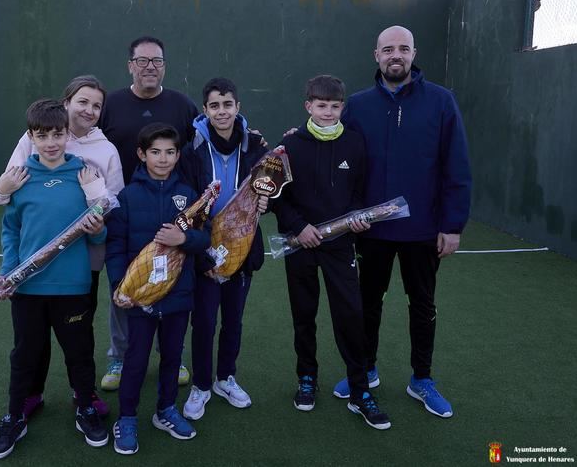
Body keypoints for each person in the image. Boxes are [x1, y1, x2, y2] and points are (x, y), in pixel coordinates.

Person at [332, 25, 471, 419]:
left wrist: (452, 225)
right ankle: (366, 370)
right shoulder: (357, 105)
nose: (396, 55)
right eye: (388, 49)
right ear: (376, 56)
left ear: (413, 54)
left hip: (424, 230)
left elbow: (456, 166)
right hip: (371, 230)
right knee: (367, 303)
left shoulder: (442, 102)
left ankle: (421, 379)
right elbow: (341, 158)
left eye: (403, 49)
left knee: (422, 305)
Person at [0, 75, 123, 418]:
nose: (89, 109)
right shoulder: (33, 138)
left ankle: (85, 399)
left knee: (78, 339)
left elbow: (110, 203)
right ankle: (32, 395)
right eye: (83, 101)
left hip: (80, 268)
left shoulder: (104, 151)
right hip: (32, 276)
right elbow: (8, 198)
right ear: (66, 103)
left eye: (96, 105)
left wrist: (95, 227)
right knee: (31, 343)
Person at [273, 75, 391, 430]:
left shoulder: (355, 144)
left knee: (351, 316)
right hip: (300, 245)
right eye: (320, 105)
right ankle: (306, 378)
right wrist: (299, 228)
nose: (327, 112)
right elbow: (278, 198)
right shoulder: (289, 145)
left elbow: (359, 193)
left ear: (343, 108)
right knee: (304, 315)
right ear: (308, 105)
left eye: (334, 106)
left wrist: (356, 218)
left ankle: (359, 390)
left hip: (340, 247)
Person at [98, 36, 199, 391]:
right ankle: (119, 356)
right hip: (126, 210)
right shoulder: (110, 104)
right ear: (130, 65)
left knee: (171, 283)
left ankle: (174, 354)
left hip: (172, 210)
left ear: (164, 66)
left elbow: (212, 132)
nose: (150, 68)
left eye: (156, 61)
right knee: (127, 281)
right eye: (142, 61)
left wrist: (251, 136)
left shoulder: (182, 105)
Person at [105, 123, 210, 455]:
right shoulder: (127, 196)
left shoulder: (189, 194)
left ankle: (165, 410)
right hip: (140, 297)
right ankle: (127, 417)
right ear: (141, 154)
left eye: (169, 152)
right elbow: (115, 247)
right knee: (135, 359)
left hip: (178, 294)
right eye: (155, 152)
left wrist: (184, 239)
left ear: (178, 155)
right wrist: (122, 285)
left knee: (172, 356)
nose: (162, 159)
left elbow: (204, 238)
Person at [177, 77, 268, 421]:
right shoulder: (192, 150)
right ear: (205, 110)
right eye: (214, 105)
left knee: (233, 320)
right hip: (204, 248)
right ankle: (201, 384)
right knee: (203, 321)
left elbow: (268, 189)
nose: (222, 111)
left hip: (243, 248)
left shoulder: (255, 145)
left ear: (238, 107)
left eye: (227, 104)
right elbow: (185, 200)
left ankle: (225, 377)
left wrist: (265, 203)